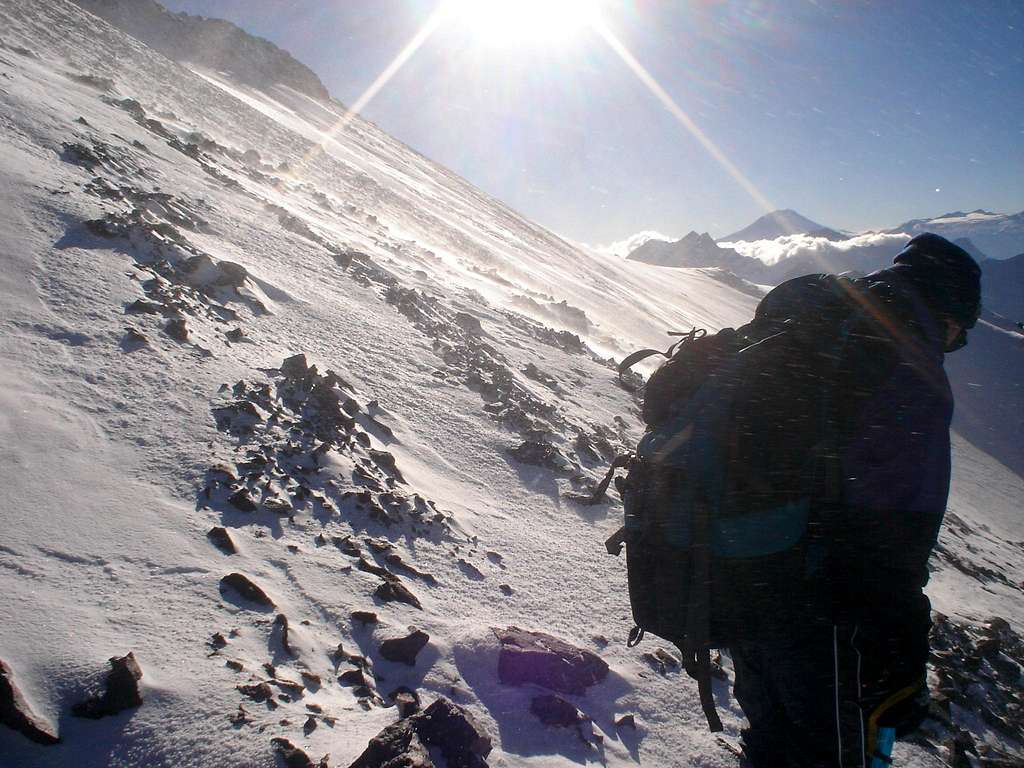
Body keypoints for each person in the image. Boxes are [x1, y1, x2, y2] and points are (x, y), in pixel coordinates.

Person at [727, 233, 982, 768]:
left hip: (745, 573)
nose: (953, 346)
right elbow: (897, 524)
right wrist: (902, 646)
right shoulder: (905, 365)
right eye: (959, 335)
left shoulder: (822, 323)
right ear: (948, 313)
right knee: (843, 752)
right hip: (827, 610)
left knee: (772, 737)